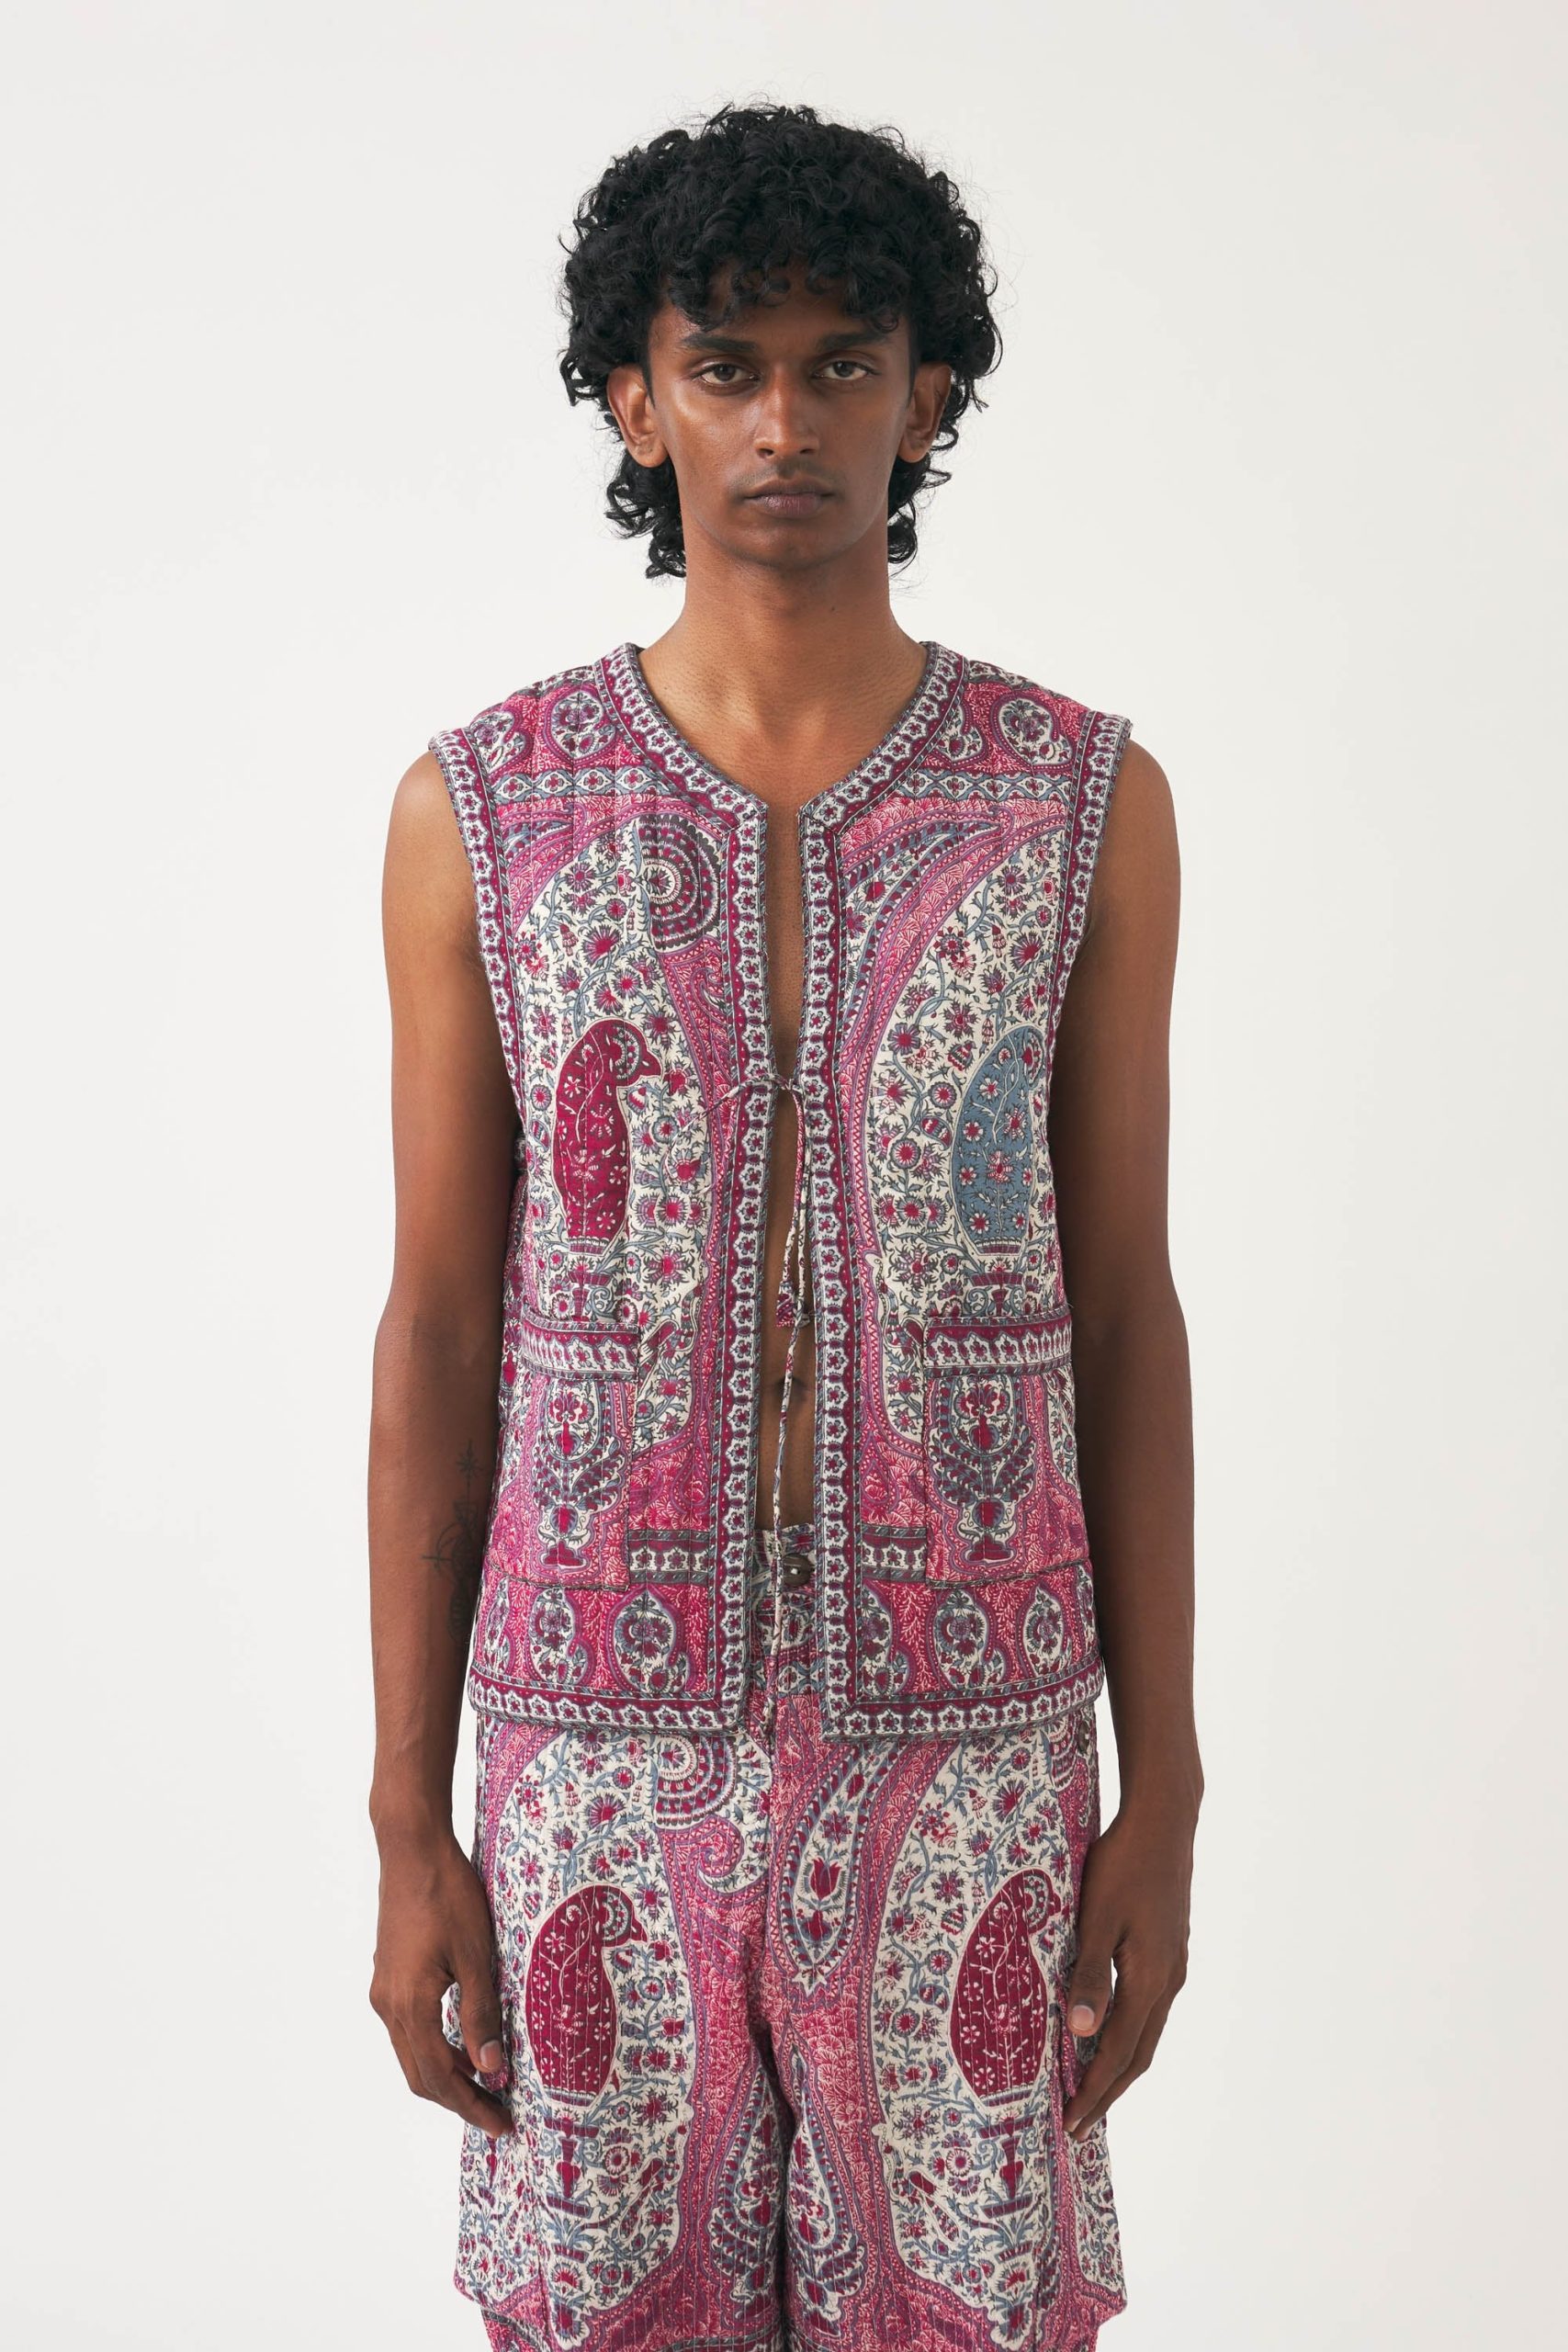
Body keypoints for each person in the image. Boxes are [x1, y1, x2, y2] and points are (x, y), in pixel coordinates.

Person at [368, 99, 1200, 2352]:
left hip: (976, 1735)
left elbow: (1121, 1311)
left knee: (964, 2314)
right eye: (724, 364)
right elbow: (438, 1327)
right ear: (633, 398)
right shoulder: (484, 809)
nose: (783, 422)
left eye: (845, 363)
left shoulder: (1075, 801)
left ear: (926, 398)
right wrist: (408, 1817)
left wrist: (1164, 1786)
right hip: (585, 1750)